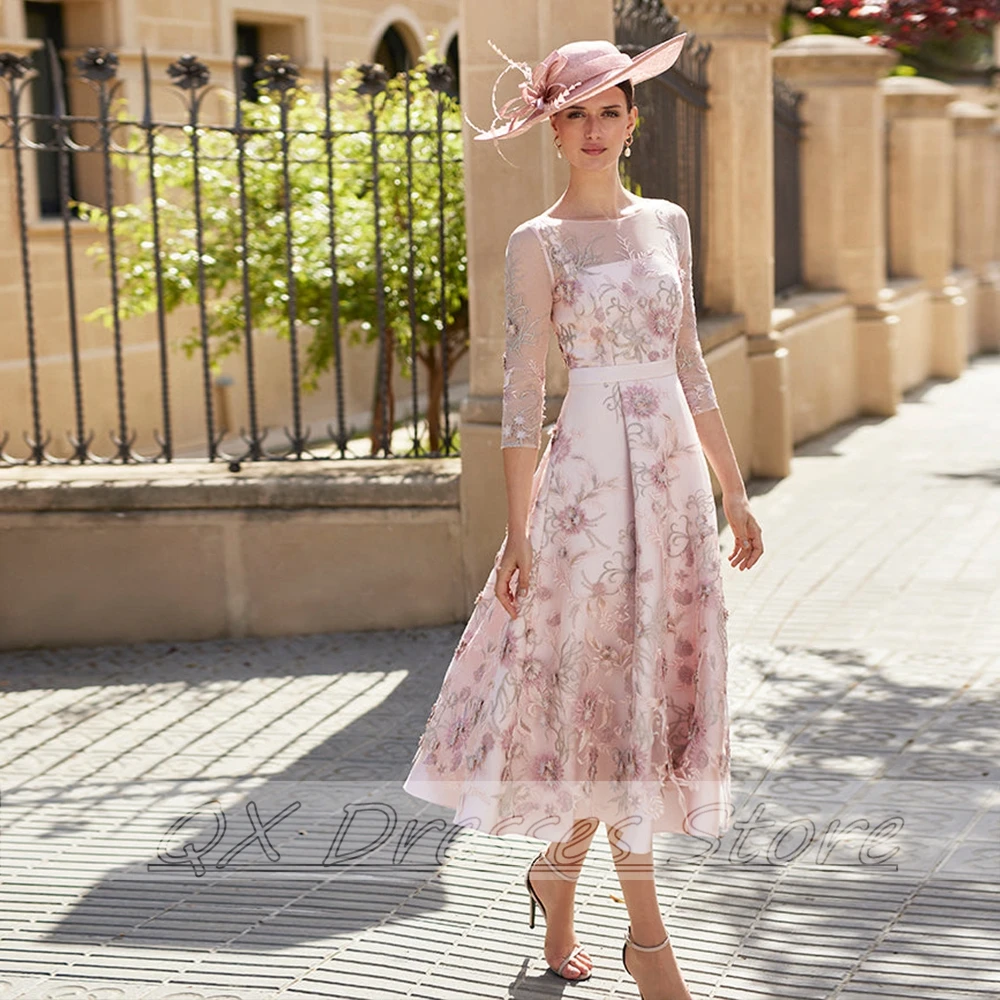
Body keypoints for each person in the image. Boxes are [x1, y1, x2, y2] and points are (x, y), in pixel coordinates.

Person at [403, 34, 763, 1000]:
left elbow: (688, 362)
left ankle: (555, 871)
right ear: (552, 128)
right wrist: (520, 537)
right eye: (576, 113)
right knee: (602, 696)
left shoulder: (669, 224)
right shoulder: (539, 243)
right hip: (587, 498)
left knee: (642, 700)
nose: (595, 129)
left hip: (676, 491)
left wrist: (733, 487)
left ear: (634, 120)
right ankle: (650, 942)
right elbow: (521, 400)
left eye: (610, 110)